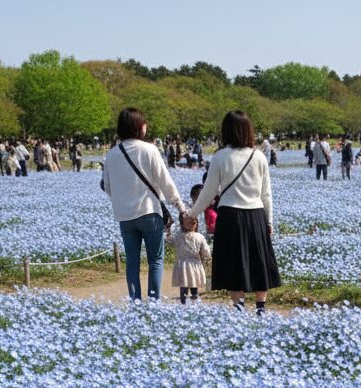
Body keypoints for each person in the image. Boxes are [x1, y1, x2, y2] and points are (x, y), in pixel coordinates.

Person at [189, 109, 280, 314]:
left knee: (233, 262)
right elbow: (266, 194)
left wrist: (192, 213)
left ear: (226, 131)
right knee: (258, 261)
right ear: (248, 130)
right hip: (256, 214)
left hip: (230, 215)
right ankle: (260, 308)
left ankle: (238, 307)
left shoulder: (220, 156)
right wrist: (269, 221)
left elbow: (209, 192)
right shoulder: (259, 157)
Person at [101, 107, 187, 302]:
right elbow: (166, 182)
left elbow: (107, 186)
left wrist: (123, 199)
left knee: (132, 263)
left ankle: (135, 303)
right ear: (140, 127)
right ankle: (154, 303)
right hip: (149, 213)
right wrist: (180, 207)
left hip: (125, 216)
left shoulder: (112, 154)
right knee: (155, 261)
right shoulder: (149, 150)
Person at [169, 213, 212, 304]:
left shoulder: (178, 236)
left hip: (181, 265)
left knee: (183, 286)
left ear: (181, 224)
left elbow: (170, 241)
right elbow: (206, 252)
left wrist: (168, 229)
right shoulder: (199, 237)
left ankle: (183, 302)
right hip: (195, 264)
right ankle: (194, 300)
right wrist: (207, 257)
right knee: (194, 284)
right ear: (196, 224)